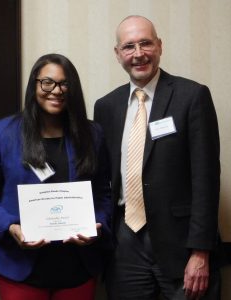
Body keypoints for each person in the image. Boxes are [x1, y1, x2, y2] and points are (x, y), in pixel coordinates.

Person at [94, 15, 222, 300]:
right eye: (129, 47)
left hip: (181, 244)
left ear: (160, 46)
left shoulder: (192, 96)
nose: (138, 54)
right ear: (118, 54)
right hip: (124, 243)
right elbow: (102, 178)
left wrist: (200, 252)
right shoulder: (106, 107)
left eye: (145, 43)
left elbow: (206, 179)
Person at [0, 53, 113, 300]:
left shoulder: (92, 134)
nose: (56, 90)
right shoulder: (3, 133)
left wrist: (97, 225)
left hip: (77, 269)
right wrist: (10, 226)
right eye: (47, 82)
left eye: (64, 84)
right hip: (19, 267)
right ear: (34, 84)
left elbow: (103, 192)